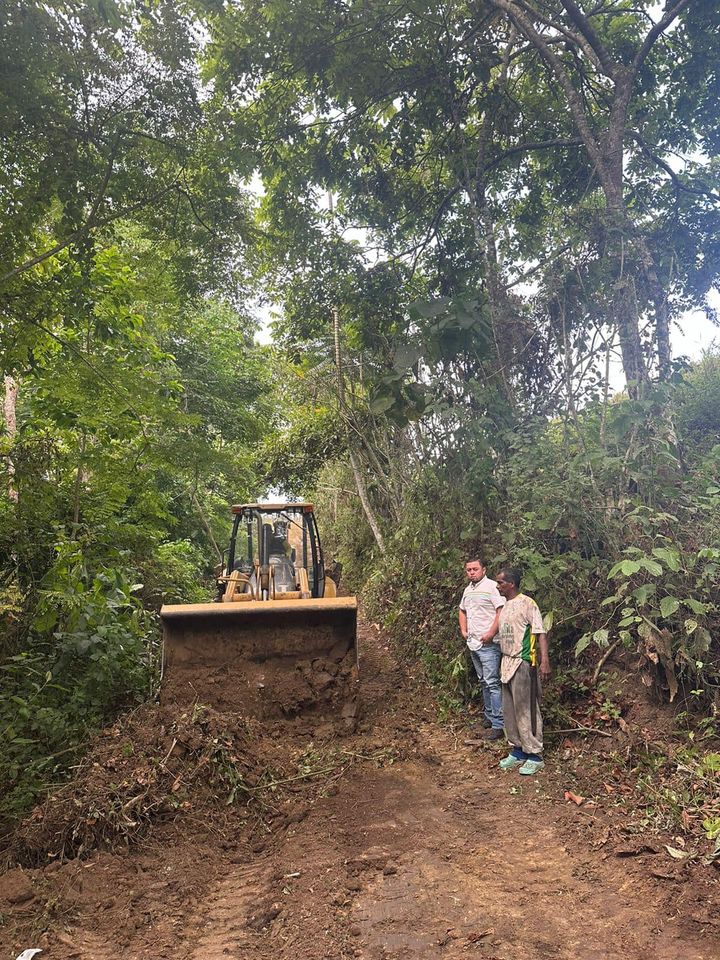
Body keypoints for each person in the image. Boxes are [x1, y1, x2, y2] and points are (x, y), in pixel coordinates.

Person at [494, 567, 551, 775]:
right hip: (506, 662)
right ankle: (517, 749)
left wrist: (544, 661)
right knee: (509, 709)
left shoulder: (528, 603)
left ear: (511, 584)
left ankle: (534, 754)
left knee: (526, 708)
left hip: (523, 661)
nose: (497, 586)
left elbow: (540, 632)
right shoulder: (505, 606)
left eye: (500, 582)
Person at [459, 558, 505, 739]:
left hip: (489, 644)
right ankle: (489, 717)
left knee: (492, 682)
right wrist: (464, 630)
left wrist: (491, 633)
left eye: (475, 569)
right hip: (473, 643)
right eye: (469, 570)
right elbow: (462, 610)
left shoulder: (492, 587)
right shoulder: (468, 590)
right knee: (483, 681)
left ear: (484, 570)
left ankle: (498, 724)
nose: (472, 572)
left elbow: (501, 610)